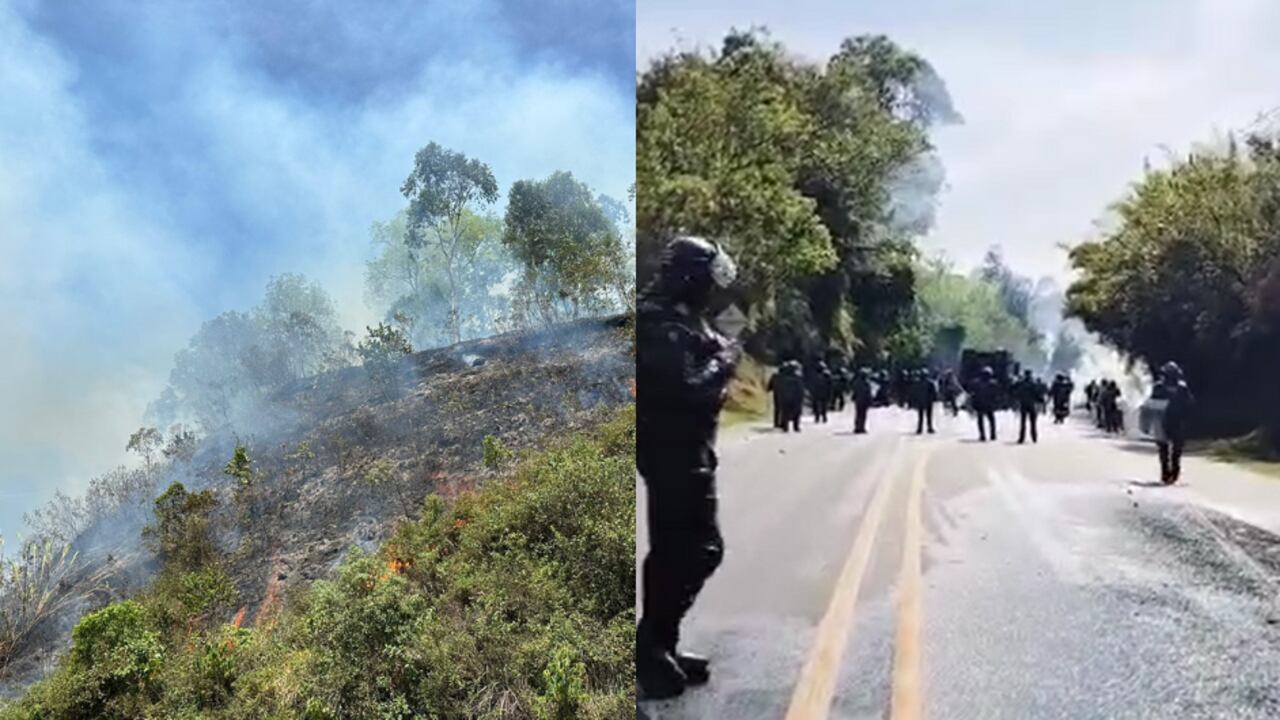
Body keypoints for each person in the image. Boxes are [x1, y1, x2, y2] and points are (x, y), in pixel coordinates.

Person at [636, 236, 739, 698]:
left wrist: (719, 350)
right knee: (696, 550)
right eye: (707, 282)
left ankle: (663, 644)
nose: (712, 293)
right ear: (691, 278)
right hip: (672, 450)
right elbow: (688, 390)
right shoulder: (659, 323)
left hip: (687, 450)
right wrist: (723, 361)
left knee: (681, 550)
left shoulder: (678, 318)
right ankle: (649, 646)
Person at [1150, 362, 1194, 484]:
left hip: (1177, 421)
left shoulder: (1182, 388)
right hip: (1164, 421)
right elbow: (1153, 403)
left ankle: (1172, 473)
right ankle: (1167, 473)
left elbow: (1190, 404)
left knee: (1175, 451)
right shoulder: (1159, 387)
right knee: (1164, 450)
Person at [1015, 370, 1046, 444]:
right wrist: (1041, 401)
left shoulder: (1021, 383)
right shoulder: (1033, 383)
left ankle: (1022, 438)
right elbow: (1038, 393)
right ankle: (1034, 438)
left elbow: (1015, 391)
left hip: (1024, 404)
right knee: (1033, 423)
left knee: (1023, 423)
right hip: (1032, 405)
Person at [970, 366, 1000, 442]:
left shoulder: (977, 383)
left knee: (982, 421)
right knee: (991, 420)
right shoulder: (992, 383)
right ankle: (991, 435)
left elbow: (973, 394)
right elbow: (996, 395)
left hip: (982, 405)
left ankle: (984, 435)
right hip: (988, 405)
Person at [911, 369, 938, 434]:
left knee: (921, 416)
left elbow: (914, 393)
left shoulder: (918, 383)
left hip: (922, 401)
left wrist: (914, 400)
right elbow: (934, 393)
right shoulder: (930, 383)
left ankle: (920, 429)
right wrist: (934, 399)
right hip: (927, 401)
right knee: (928, 416)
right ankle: (928, 428)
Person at [851, 367, 874, 434]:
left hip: (858, 401)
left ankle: (858, 427)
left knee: (858, 414)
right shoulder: (867, 383)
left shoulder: (856, 382)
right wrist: (870, 401)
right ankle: (861, 427)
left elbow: (854, 391)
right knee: (862, 415)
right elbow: (868, 393)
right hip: (863, 401)